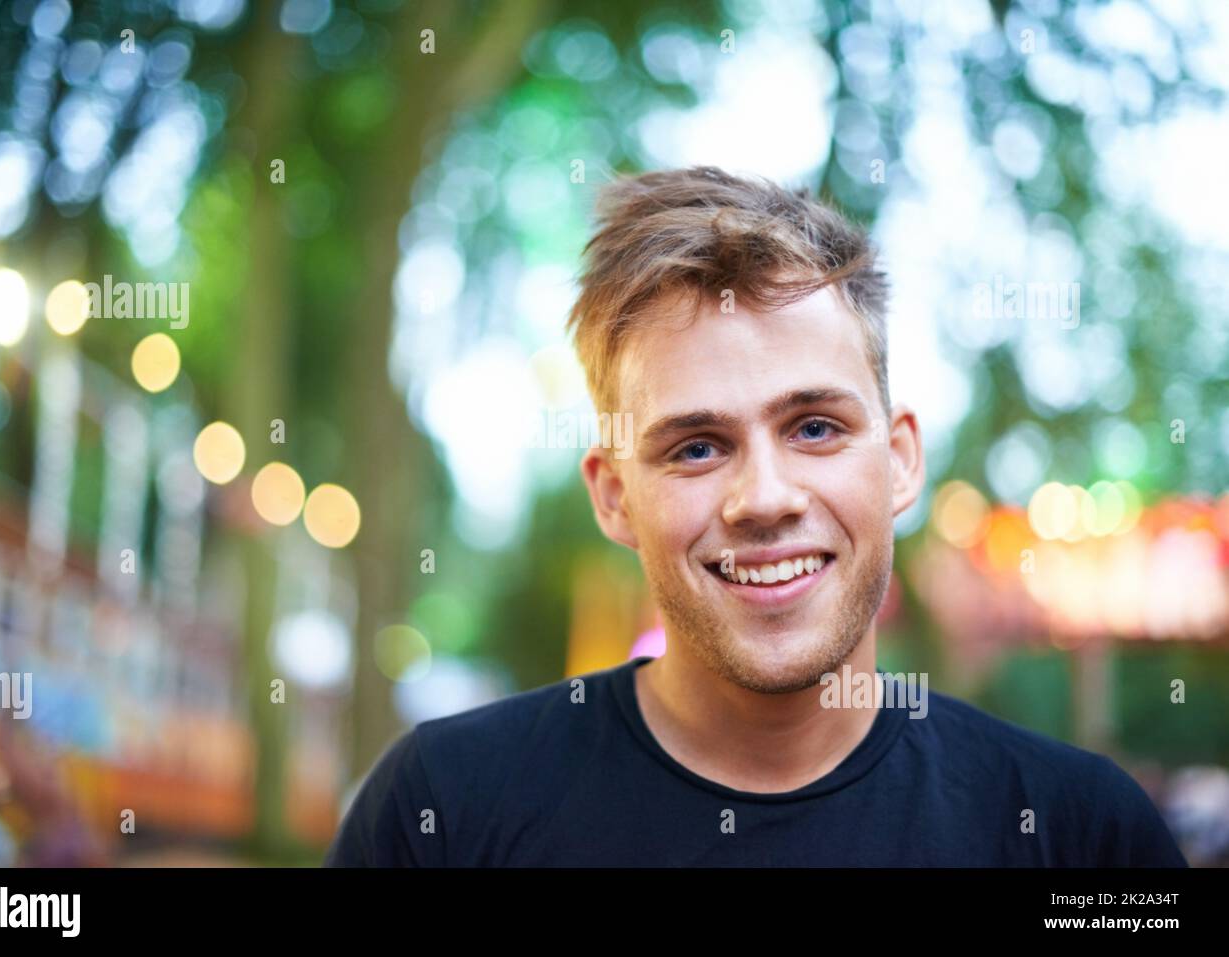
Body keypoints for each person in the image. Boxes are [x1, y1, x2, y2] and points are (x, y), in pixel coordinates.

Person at [325, 166, 1188, 866]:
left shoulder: (1084, 836)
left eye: (815, 427)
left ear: (898, 461)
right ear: (614, 494)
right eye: (696, 446)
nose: (765, 498)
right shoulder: (441, 810)